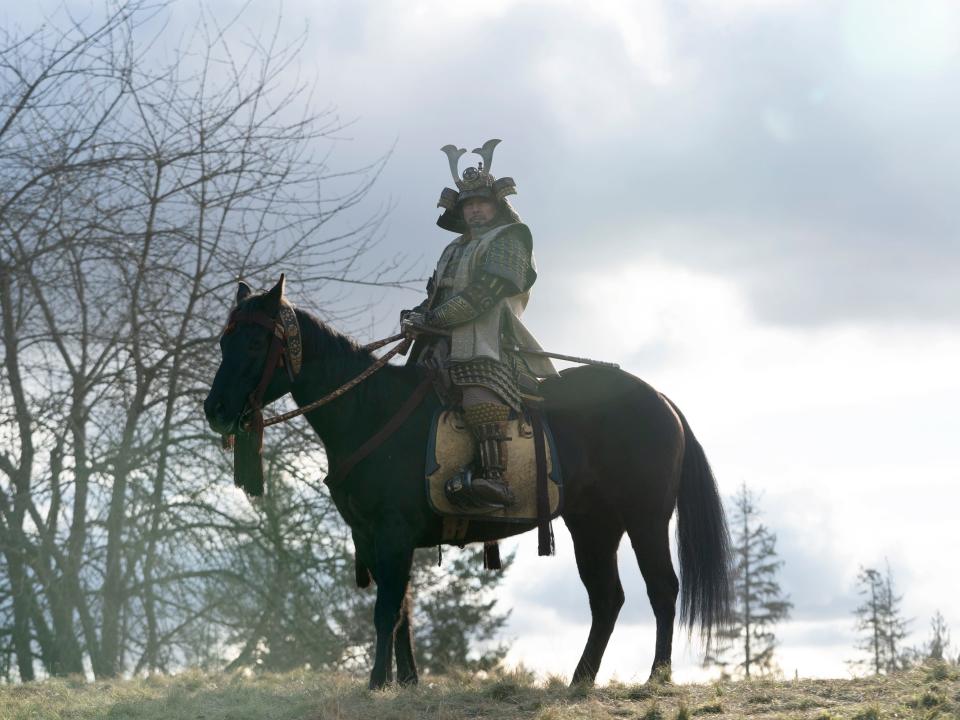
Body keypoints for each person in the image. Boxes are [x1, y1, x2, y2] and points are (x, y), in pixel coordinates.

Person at [401, 139, 557, 510]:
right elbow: (435, 294)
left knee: (477, 391)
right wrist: (416, 315)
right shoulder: (452, 249)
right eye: (469, 204)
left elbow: (484, 295)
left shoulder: (511, 238)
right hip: (439, 342)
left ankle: (495, 479)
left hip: (492, 342)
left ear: (497, 205)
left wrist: (433, 319)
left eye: (482, 202)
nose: (475, 210)